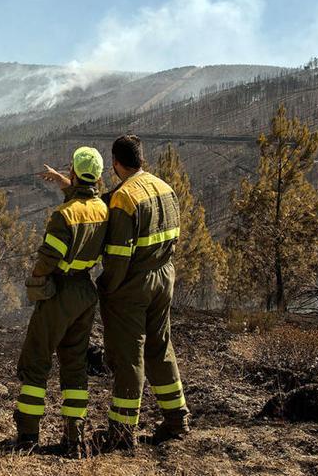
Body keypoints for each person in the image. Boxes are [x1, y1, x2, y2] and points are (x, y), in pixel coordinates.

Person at [97, 134, 191, 449]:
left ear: (114, 163)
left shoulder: (125, 200)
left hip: (134, 283)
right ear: (141, 159)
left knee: (129, 356)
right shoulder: (165, 188)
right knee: (160, 347)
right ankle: (177, 418)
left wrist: (108, 287)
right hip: (165, 276)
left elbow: (119, 256)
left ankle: (122, 432)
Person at [13, 146, 108, 458]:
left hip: (60, 291)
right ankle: (74, 436)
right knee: (75, 363)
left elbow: (49, 257)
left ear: (73, 173)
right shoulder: (104, 209)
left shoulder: (63, 216)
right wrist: (62, 181)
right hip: (85, 292)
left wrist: (37, 277)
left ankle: (28, 435)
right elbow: (85, 201)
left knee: (37, 360)